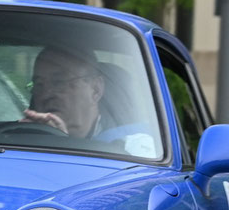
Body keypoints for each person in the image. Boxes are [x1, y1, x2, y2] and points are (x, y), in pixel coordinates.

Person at [23, 44, 156, 150]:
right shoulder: (23, 143)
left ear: (95, 90)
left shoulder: (135, 147)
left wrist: (63, 144)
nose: (46, 94)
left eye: (59, 82)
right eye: (39, 85)